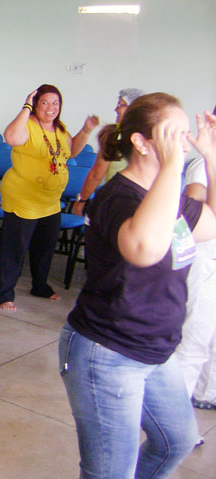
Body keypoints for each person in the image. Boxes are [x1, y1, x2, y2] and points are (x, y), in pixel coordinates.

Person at [59, 93, 216, 478]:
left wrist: (211, 156)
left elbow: (212, 223)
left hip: (155, 351)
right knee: (110, 472)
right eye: (173, 134)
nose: (184, 142)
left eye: (185, 135)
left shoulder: (171, 197)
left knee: (175, 441)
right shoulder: (116, 198)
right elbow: (144, 249)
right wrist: (174, 167)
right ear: (142, 143)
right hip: (108, 353)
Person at [0, 85, 99, 311]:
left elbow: (71, 151)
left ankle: (39, 286)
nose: (51, 108)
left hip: (50, 202)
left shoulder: (59, 129)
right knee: (15, 247)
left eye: (55, 103)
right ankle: (5, 293)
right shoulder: (28, 125)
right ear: (35, 104)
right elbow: (11, 137)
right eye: (45, 102)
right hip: (23, 198)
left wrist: (86, 130)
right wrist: (26, 106)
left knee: (44, 247)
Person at [174, 105, 216, 411]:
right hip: (205, 261)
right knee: (193, 340)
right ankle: (176, 416)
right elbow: (196, 202)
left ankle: (205, 393)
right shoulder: (203, 165)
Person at [72, 88, 146, 215]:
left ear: (134, 108)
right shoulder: (150, 136)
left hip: (118, 203)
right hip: (143, 205)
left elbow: (96, 174)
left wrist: (81, 200)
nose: (116, 109)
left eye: (121, 105)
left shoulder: (114, 135)